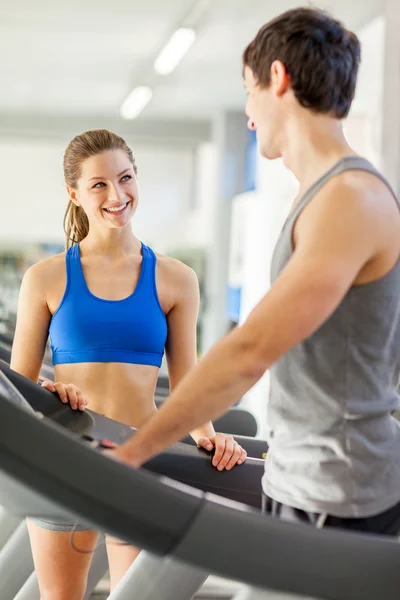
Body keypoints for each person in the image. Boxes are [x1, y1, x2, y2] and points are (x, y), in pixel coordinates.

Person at [113, 7, 400, 536]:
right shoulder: (321, 196)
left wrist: (135, 452)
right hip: (305, 479)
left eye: (248, 92)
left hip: (339, 492)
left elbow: (251, 352)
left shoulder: (350, 199)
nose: (248, 114)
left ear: (277, 78)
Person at [10, 128, 246, 600]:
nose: (117, 195)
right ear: (74, 195)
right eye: (99, 184)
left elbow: (186, 382)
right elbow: (18, 385)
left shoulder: (177, 279)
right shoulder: (46, 278)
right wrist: (50, 389)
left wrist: (209, 436)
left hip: (143, 462)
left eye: (125, 178)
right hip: (64, 458)